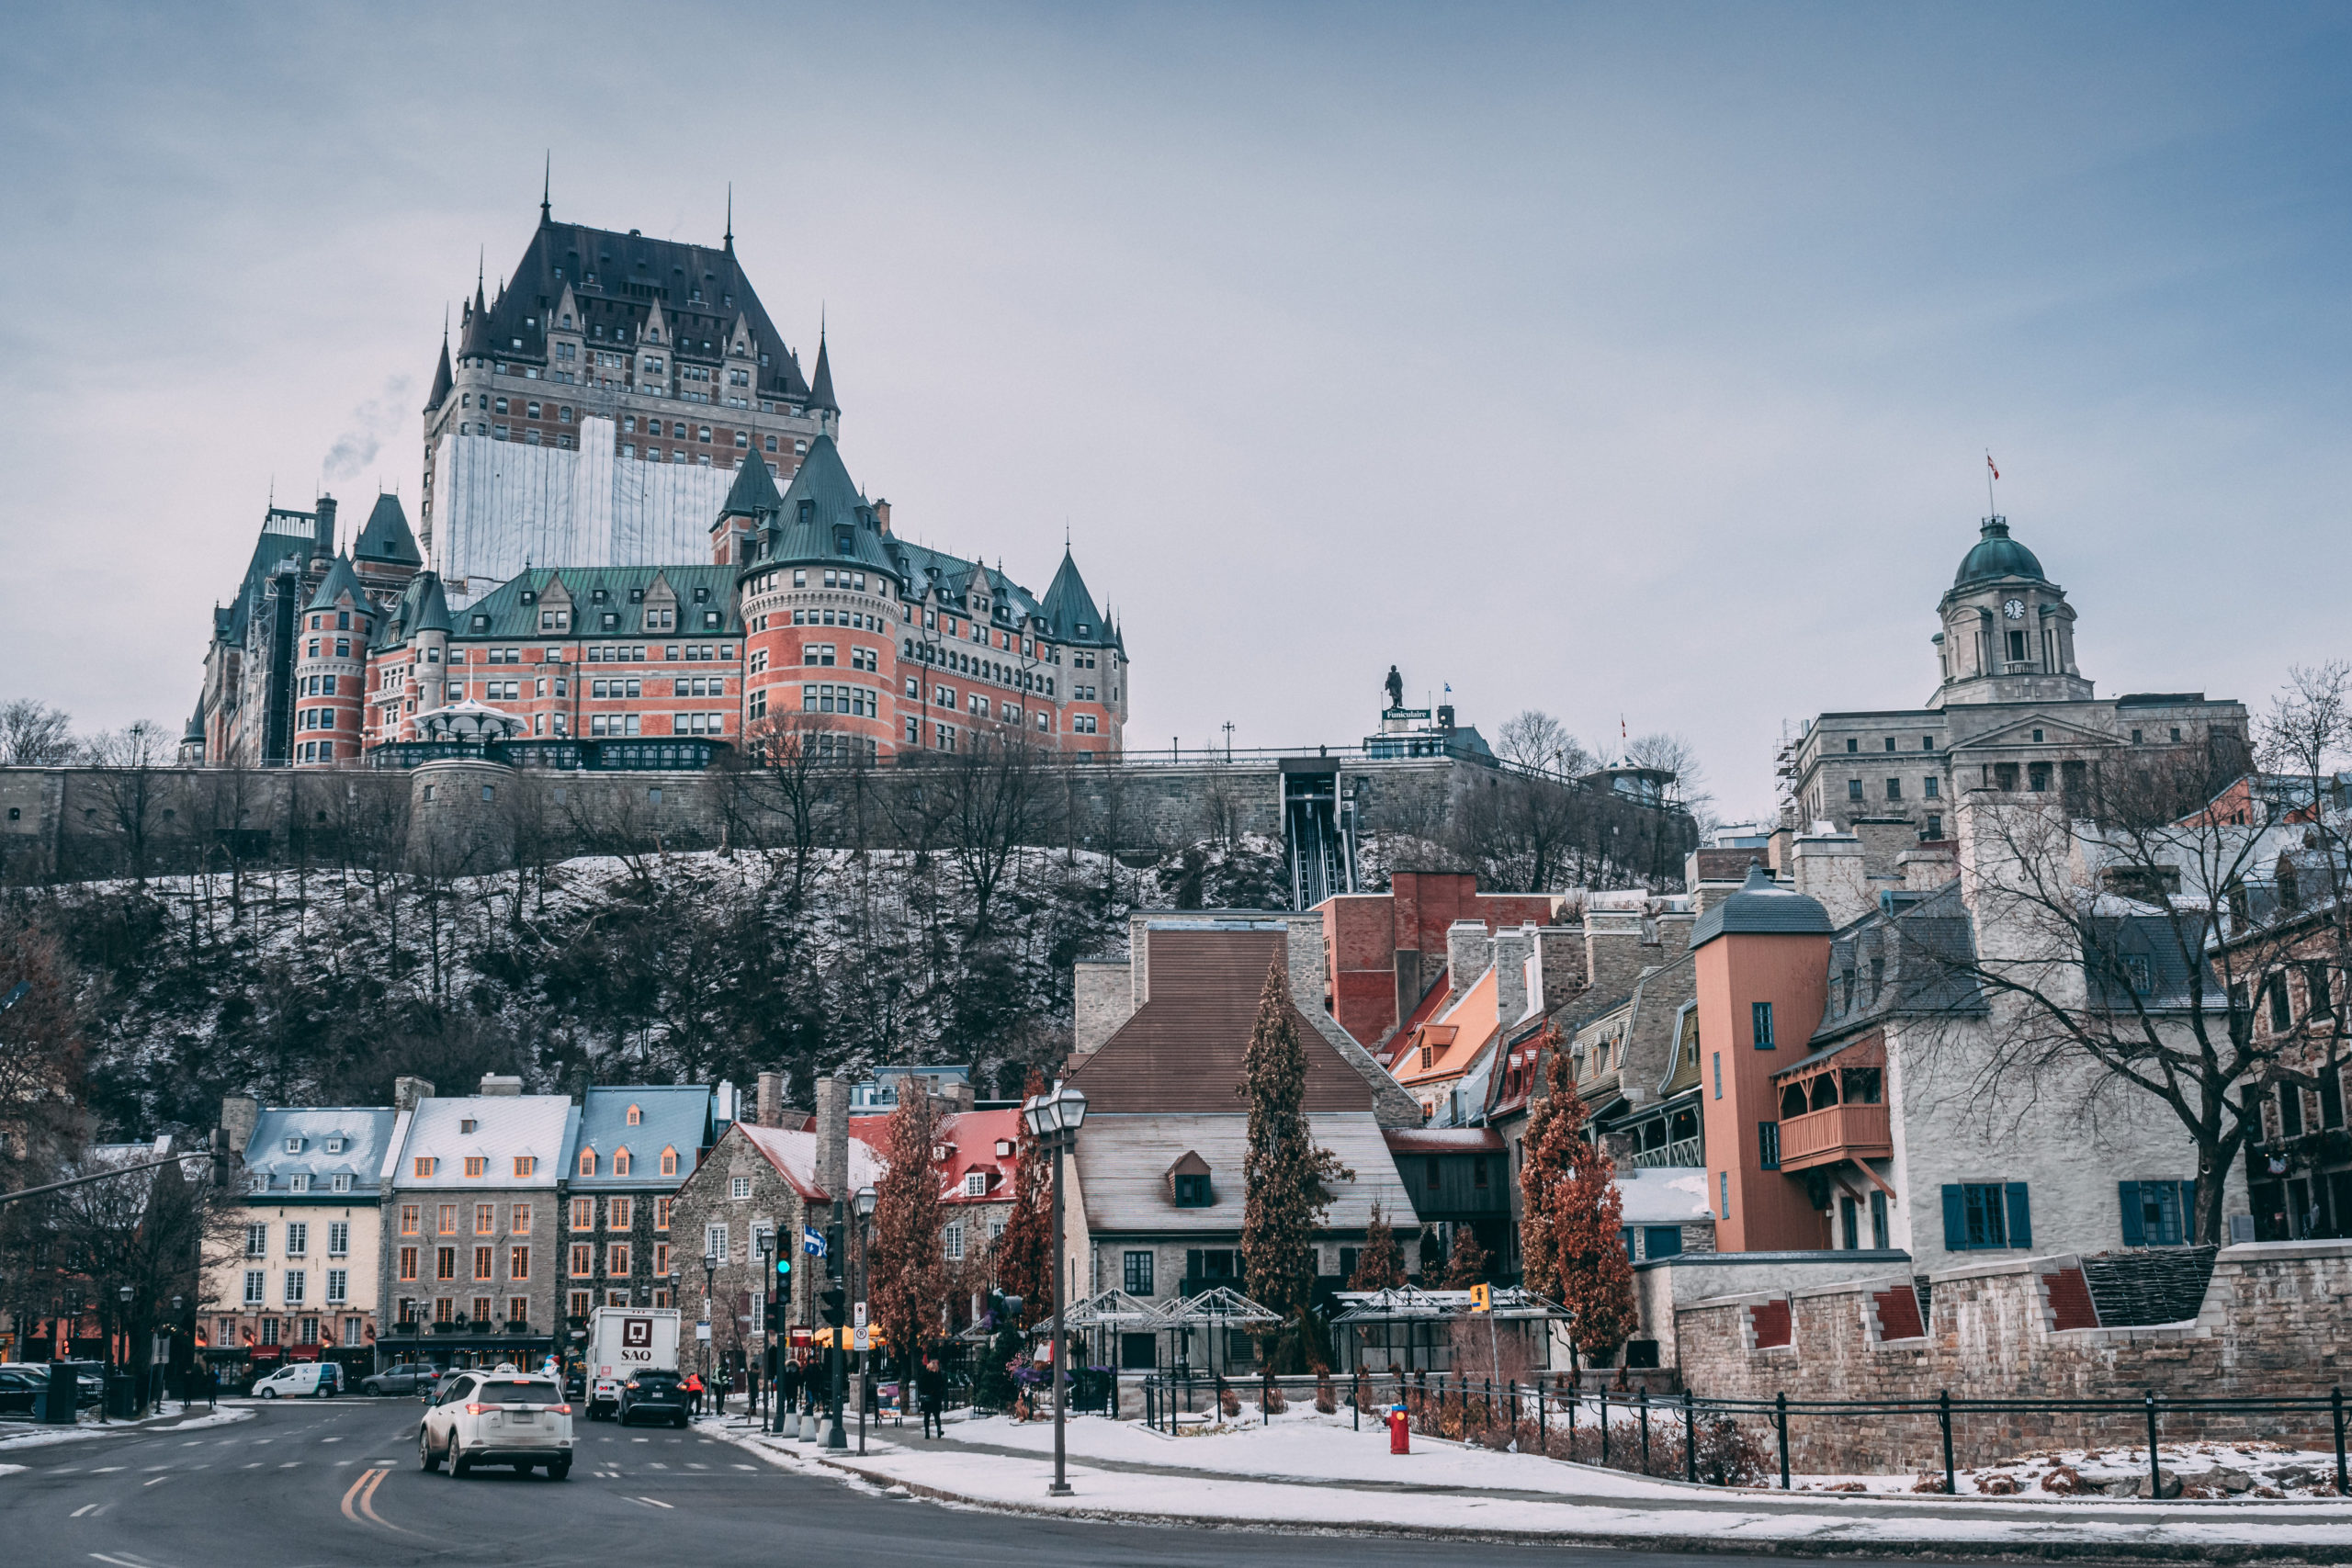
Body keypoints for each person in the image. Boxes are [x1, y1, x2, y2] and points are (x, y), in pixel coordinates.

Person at [918, 1357, 946, 1439]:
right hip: (932, 1398)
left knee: (932, 1416)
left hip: (932, 1399)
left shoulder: (929, 1375)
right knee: (932, 1416)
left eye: (935, 1368)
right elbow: (941, 1386)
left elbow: (942, 1386)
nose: (934, 1369)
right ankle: (932, 1433)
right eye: (933, 1368)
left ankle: (935, 1432)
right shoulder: (934, 1375)